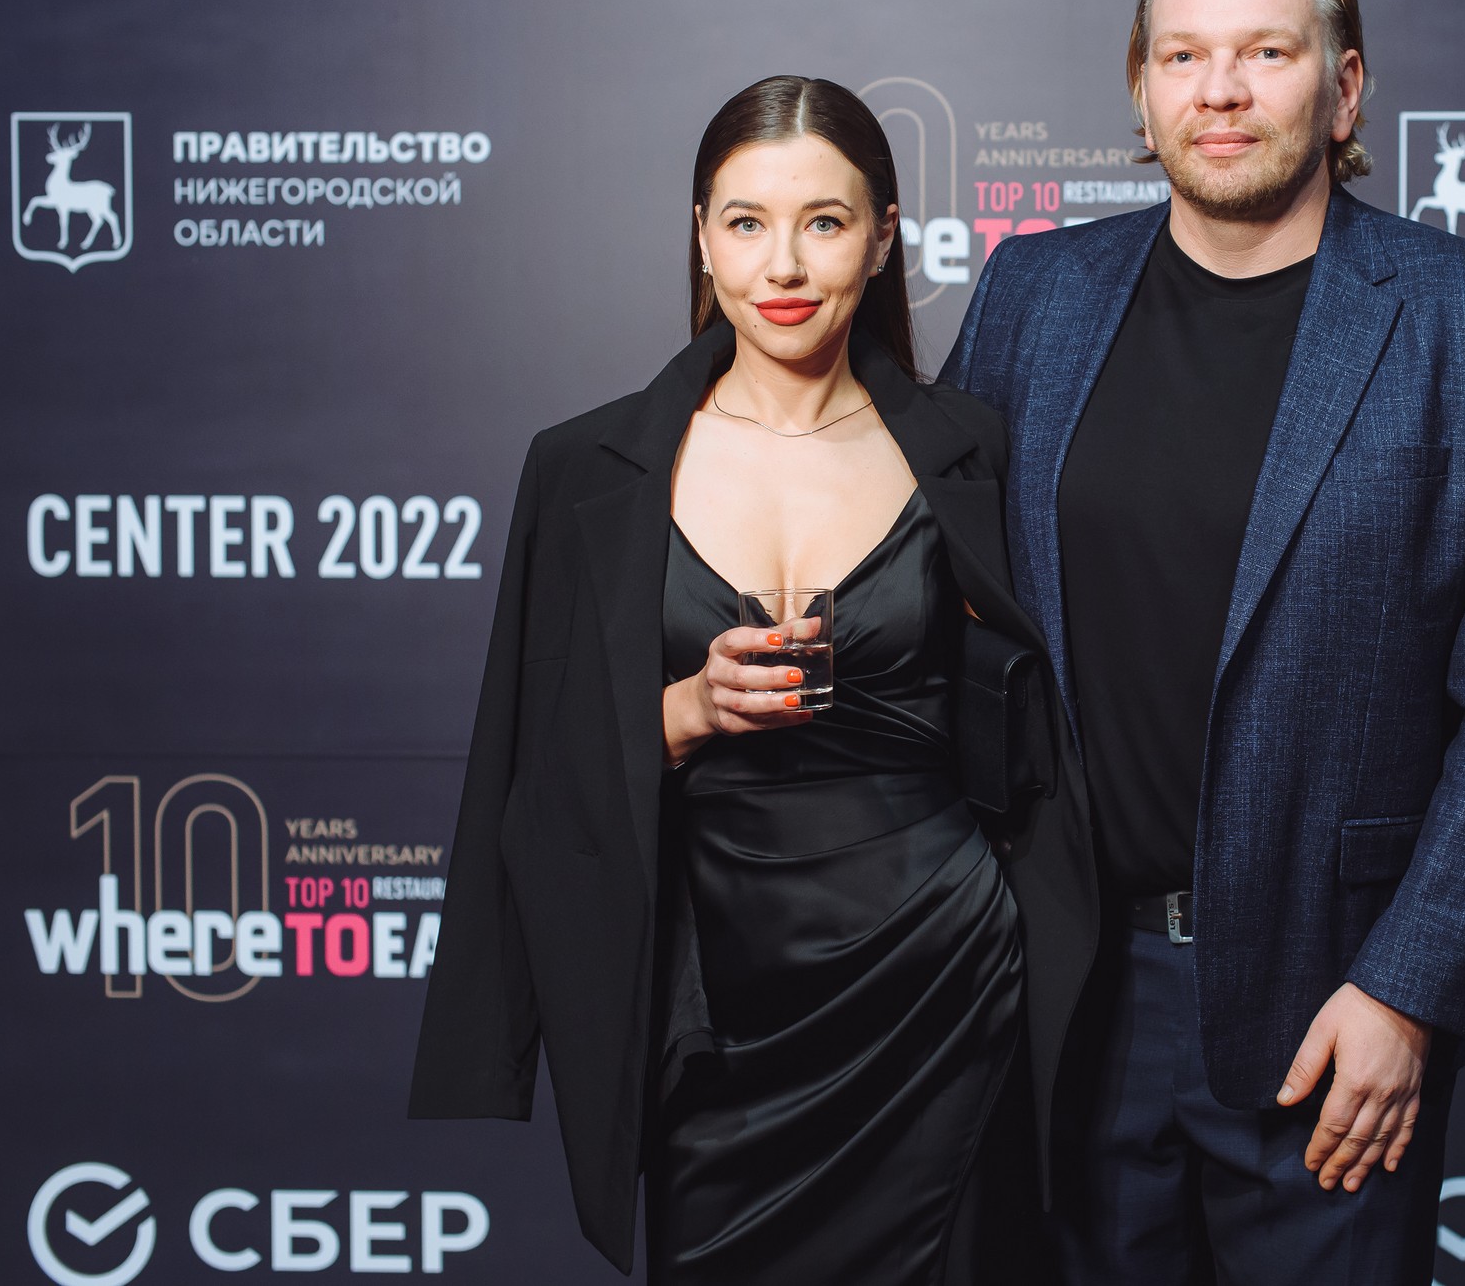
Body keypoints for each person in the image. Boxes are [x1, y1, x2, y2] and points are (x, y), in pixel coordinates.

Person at [941, 0, 1465, 1284]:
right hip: (1063, 996)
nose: (1219, 91)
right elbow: (933, 599)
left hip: (1327, 1007)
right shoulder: (1032, 297)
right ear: (1140, 90)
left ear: (1342, 90)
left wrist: (1406, 990)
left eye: (1264, 53)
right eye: (1181, 55)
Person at [411, 76, 1060, 1284]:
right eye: (747, 222)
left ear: (883, 239)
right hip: (715, 1011)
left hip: (938, 980)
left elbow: (1039, 723)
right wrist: (683, 711)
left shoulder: (975, 449)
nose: (785, 265)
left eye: (825, 222)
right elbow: (525, 772)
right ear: (701, 239)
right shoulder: (585, 468)